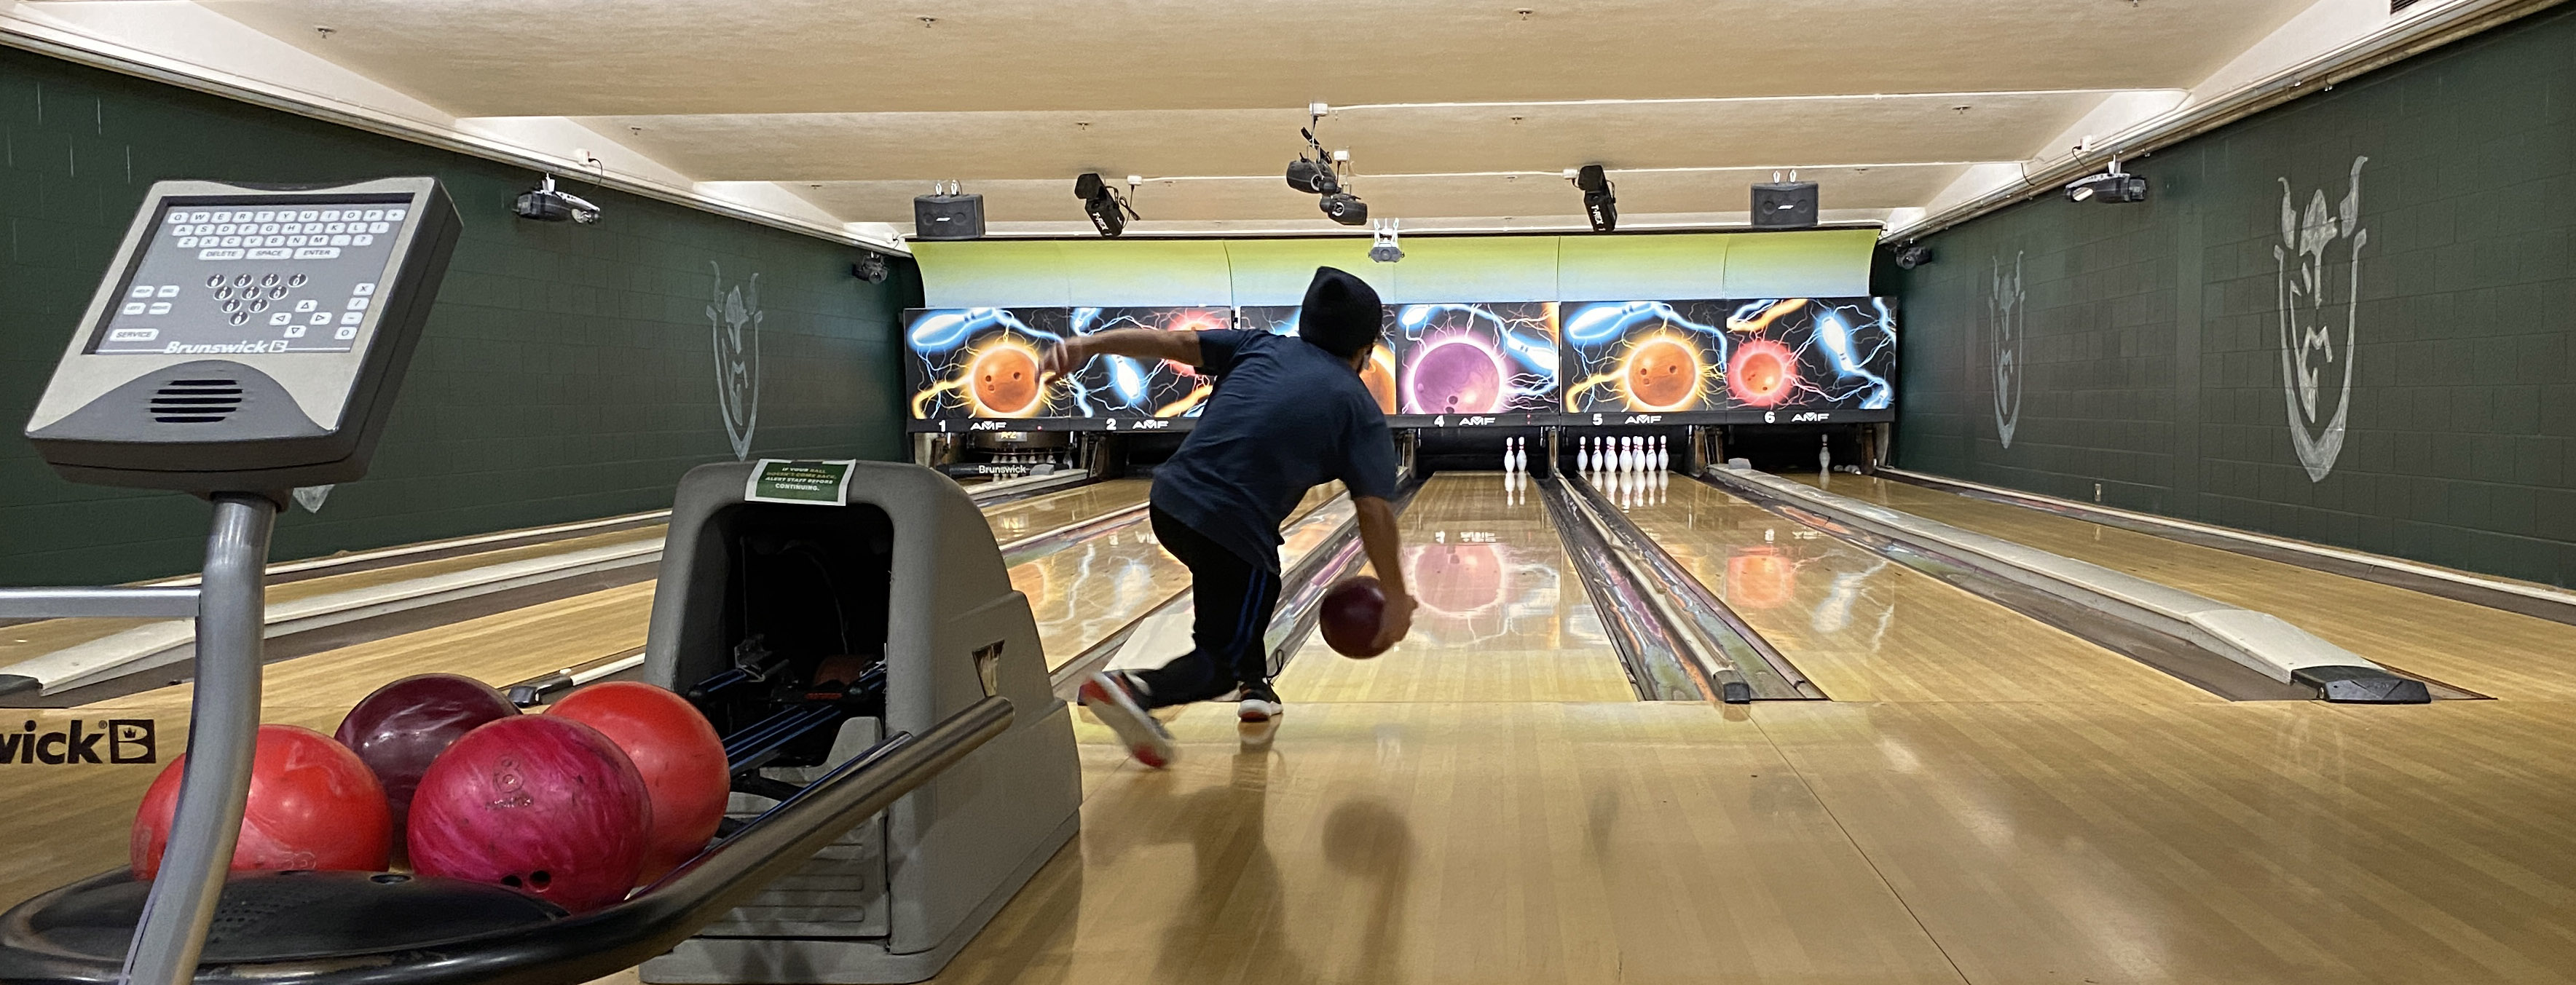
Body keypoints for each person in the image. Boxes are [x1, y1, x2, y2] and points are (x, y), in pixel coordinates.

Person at [1038, 266, 1414, 768]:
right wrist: (1393, 592)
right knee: (1223, 657)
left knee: (1250, 585)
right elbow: (1373, 511)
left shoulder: (1258, 346)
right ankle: (1134, 688)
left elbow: (1170, 342)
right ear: (1367, 348)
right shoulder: (1358, 408)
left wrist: (1091, 344)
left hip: (1170, 501)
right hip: (1233, 527)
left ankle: (1256, 686)